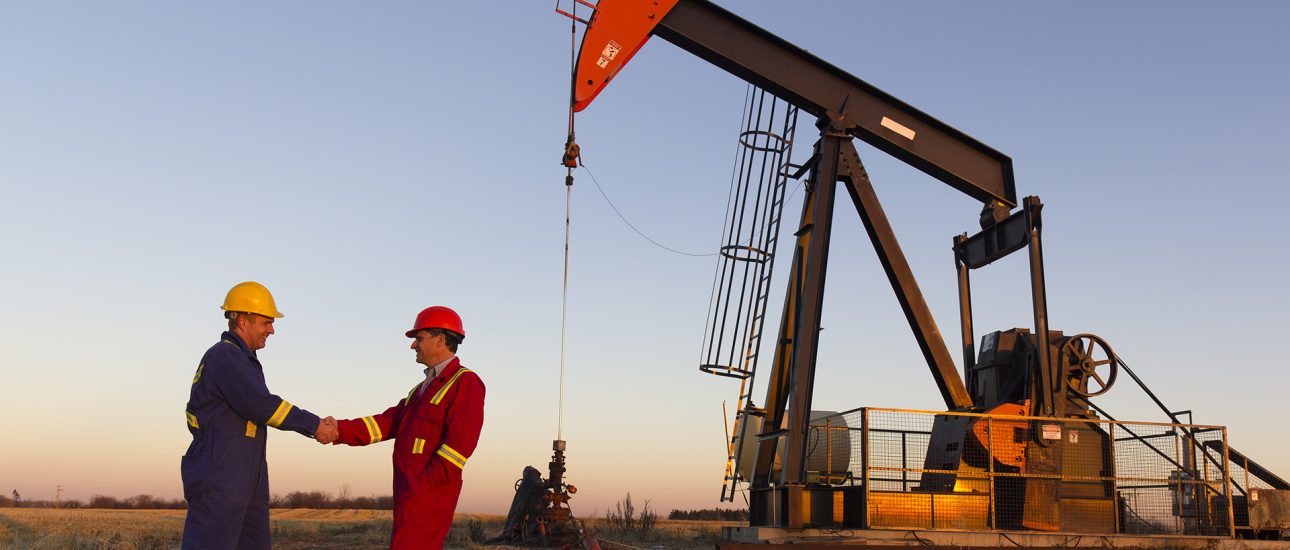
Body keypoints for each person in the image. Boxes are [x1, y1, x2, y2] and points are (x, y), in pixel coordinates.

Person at [181, 281, 339, 550]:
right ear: (242, 321)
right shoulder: (225, 355)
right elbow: (262, 405)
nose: (272, 330)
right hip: (221, 475)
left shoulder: (243, 360)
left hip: (246, 476)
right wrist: (315, 425)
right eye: (266, 322)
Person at [322, 306, 485, 549]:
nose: (413, 345)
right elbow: (387, 422)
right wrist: (340, 430)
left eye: (419, 338)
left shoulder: (465, 382)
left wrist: (425, 484)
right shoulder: (422, 389)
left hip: (428, 493)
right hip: (409, 490)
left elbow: (460, 446)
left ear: (440, 340)